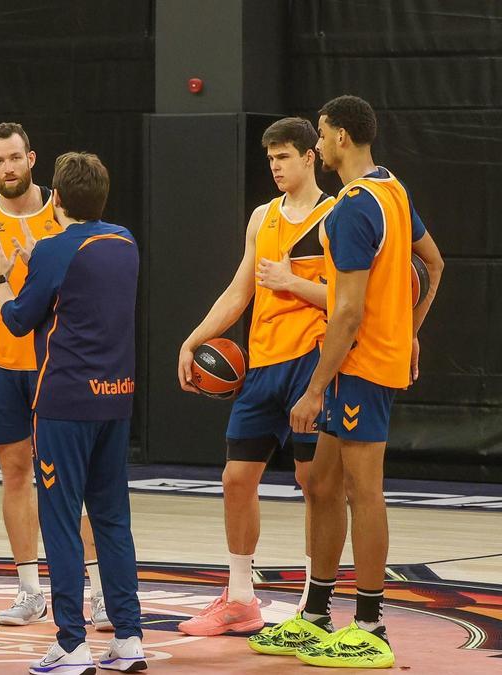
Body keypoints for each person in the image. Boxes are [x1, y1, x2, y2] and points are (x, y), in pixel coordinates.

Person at [284, 95, 443, 668]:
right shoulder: (391, 188)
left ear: (341, 139)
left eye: (321, 136)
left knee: (361, 492)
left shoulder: (352, 207)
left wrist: (313, 388)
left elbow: (347, 314)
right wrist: (411, 330)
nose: (318, 145)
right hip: (373, 359)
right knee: (323, 486)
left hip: (359, 367)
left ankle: (372, 622)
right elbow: (435, 264)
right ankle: (315, 614)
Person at [0, 152, 144, 673]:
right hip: (116, 398)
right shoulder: (125, 242)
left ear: (55, 198)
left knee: (61, 519)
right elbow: (78, 285)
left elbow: (21, 319)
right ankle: (129, 638)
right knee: (113, 517)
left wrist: (3, 275)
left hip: (64, 402)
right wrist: (38, 261)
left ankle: (72, 642)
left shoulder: (53, 249)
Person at [0, 122, 110, 628]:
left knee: (71, 479)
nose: (9, 167)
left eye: (16, 157)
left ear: (32, 158)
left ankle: (98, 589)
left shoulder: (63, 215)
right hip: (2, 363)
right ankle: (29, 589)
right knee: (15, 473)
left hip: (56, 364)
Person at [175, 118, 335, 640]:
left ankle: (315, 604)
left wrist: (292, 282)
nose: (275, 167)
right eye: (270, 159)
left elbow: (352, 302)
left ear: (311, 156)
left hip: (311, 363)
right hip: (263, 366)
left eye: (284, 157)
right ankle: (241, 598)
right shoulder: (262, 216)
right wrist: (193, 339)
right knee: (235, 479)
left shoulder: (335, 215)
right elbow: (240, 290)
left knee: (315, 484)